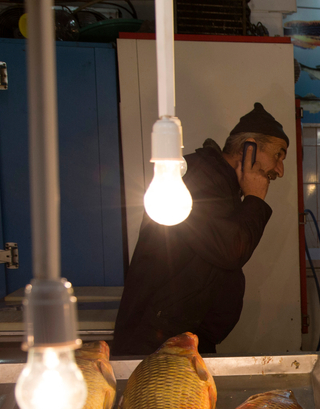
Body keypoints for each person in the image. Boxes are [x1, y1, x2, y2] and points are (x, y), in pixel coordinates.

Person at [112, 103, 288, 355]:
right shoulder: (198, 177)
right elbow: (231, 249)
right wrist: (255, 200)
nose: (280, 170)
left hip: (179, 339)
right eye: (278, 155)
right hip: (156, 343)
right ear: (248, 148)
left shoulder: (222, 184)